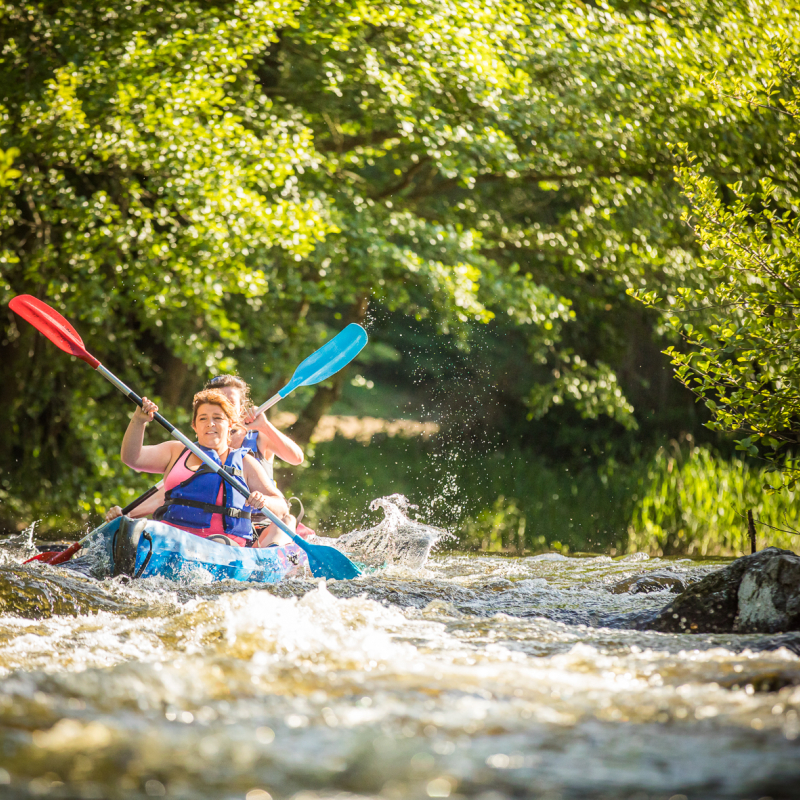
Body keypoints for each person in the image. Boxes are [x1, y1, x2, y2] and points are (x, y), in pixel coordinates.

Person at [114, 389, 292, 547]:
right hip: (172, 542)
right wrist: (138, 421)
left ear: (230, 424)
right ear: (195, 426)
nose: (210, 423)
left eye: (218, 418)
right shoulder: (176, 451)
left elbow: (282, 506)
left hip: (224, 549)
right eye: (203, 418)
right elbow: (132, 458)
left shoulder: (245, 462)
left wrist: (264, 501)